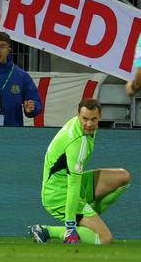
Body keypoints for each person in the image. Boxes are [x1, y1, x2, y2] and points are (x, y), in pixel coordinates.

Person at [30, 99, 131, 245]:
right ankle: (46, 230)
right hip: (59, 196)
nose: (89, 124)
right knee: (105, 239)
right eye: (85, 119)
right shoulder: (77, 143)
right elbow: (73, 186)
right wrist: (70, 225)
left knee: (123, 177)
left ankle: (86, 218)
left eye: (93, 119)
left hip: (67, 183)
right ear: (78, 116)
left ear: (100, 117)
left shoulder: (82, 127)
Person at [0, 31, 42, 127]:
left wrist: (32, 107)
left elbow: (35, 101)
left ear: (9, 50)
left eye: (2, 46)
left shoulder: (22, 76)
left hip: (13, 131)